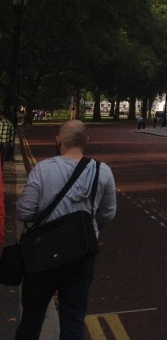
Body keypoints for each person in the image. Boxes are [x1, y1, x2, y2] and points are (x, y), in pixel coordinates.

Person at [16, 119, 116, 340]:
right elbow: (108, 213)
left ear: (58, 140)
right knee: (73, 319)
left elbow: (25, 212)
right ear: (86, 140)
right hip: (82, 253)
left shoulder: (43, 169)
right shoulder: (102, 171)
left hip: (43, 253)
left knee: (31, 318)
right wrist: (87, 228)